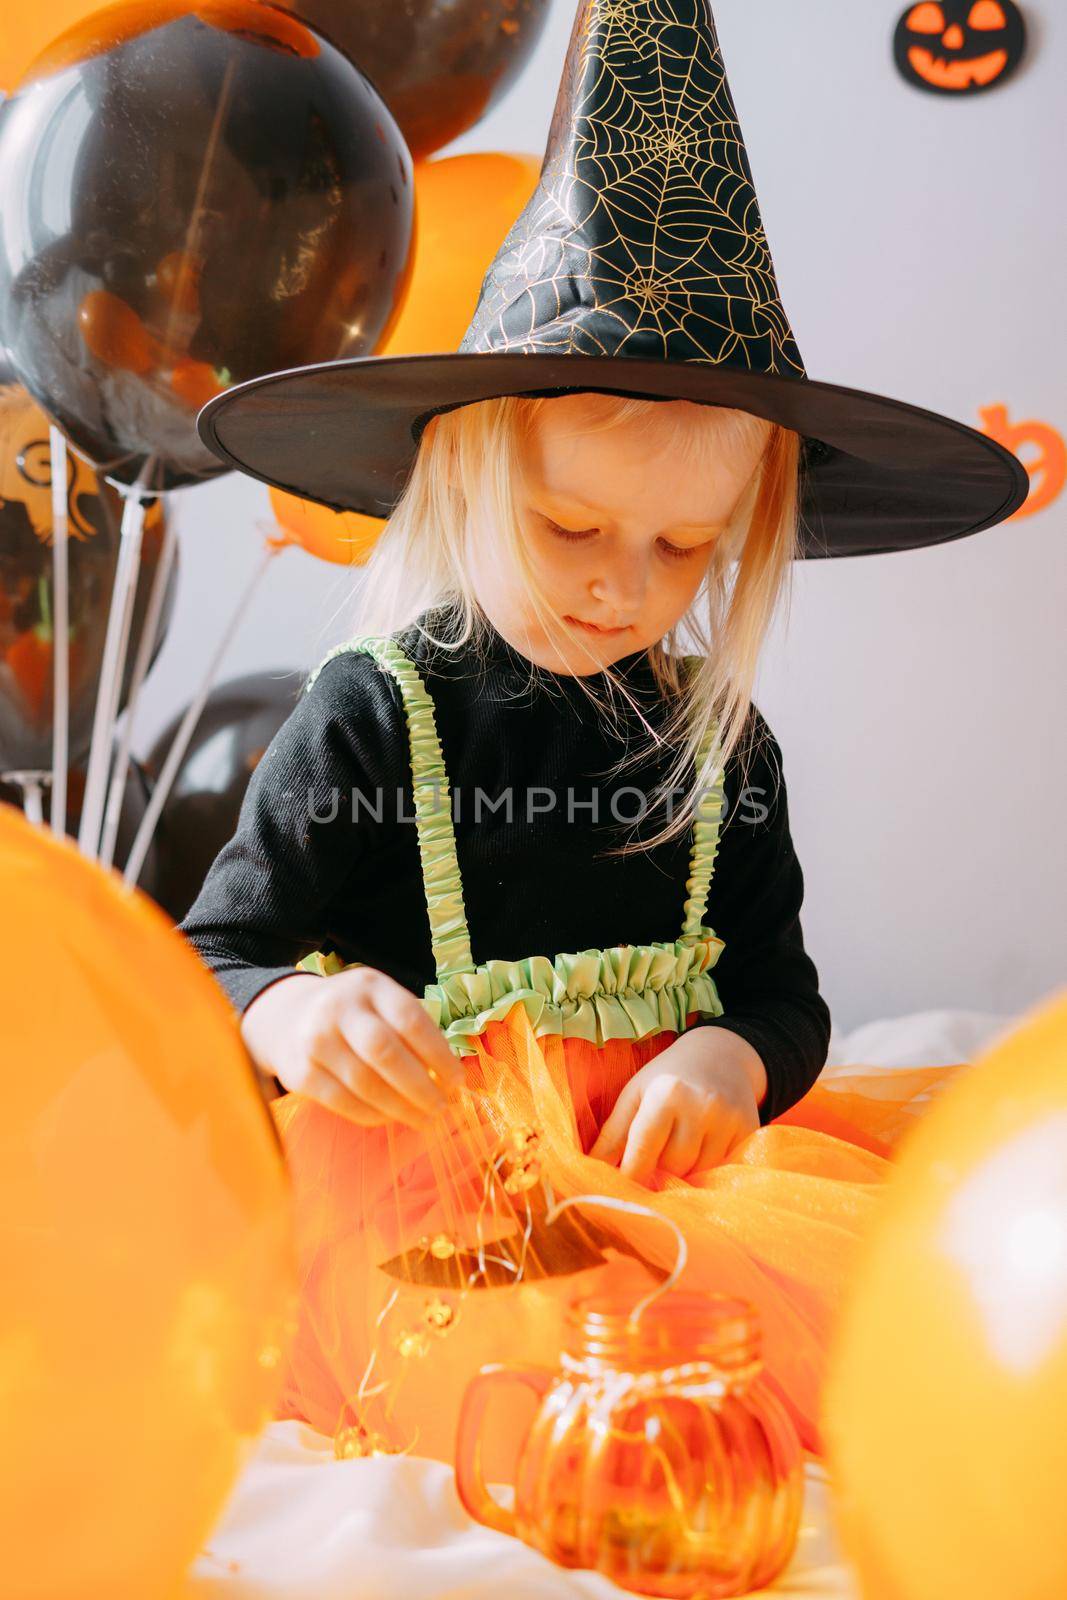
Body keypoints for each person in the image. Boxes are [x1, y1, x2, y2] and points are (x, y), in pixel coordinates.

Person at [183, 0, 1025, 1473]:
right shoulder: (376, 718)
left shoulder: (722, 748)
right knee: (559, 1399)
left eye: (684, 549)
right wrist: (297, 1018)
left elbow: (784, 994)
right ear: (460, 478)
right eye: (569, 524)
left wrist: (728, 1064)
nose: (619, 587)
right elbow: (213, 957)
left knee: (891, 1327)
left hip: (666, 1185)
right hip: (436, 1205)